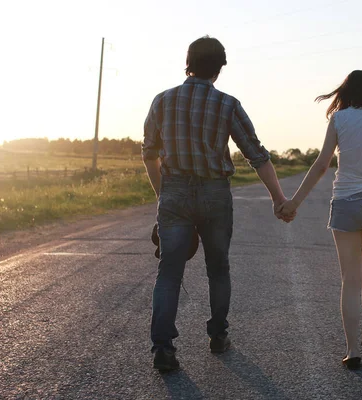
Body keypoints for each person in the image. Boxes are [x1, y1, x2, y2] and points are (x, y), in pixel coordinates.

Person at [142, 36, 294, 371]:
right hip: (215, 194)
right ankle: (218, 336)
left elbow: (149, 154)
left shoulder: (162, 101)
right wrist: (279, 200)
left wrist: (162, 195)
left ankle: (163, 350)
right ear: (220, 68)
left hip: (175, 192)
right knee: (218, 267)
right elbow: (257, 155)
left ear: (188, 62)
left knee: (169, 272)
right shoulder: (228, 104)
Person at [277, 70, 362, 370]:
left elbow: (322, 164)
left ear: (345, 92)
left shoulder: (339, 120)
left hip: (346, 200)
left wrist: (293, 201)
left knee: (350, 279)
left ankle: (351, 351)